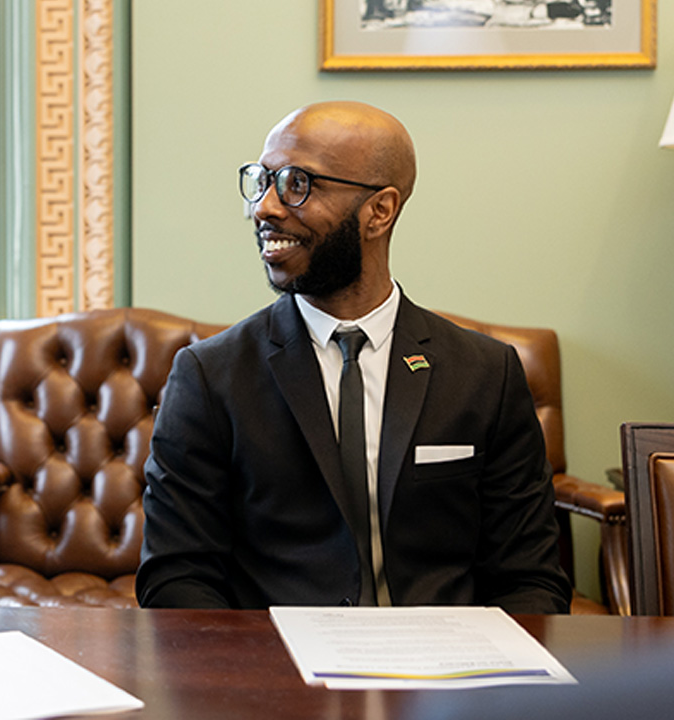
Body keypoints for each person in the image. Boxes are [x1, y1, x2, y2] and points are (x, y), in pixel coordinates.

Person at [137, 101, 571, 613]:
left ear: (379, 211)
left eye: (297, 183)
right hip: (282, 674)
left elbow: (531, 578)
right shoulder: (211, 377)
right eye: (262, 181)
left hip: (445, 678)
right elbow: (176, 577)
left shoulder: (485, 375)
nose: (265, 207)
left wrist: (492, 684)